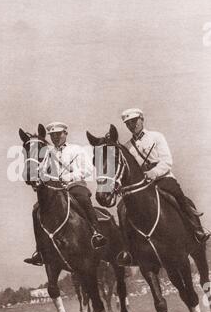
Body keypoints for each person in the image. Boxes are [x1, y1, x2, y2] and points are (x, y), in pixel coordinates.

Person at [117, 108, 210, 266]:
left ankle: (196, 229)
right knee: (122, 208)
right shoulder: (127, 147)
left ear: (142, 119)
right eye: (128, 124)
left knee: (177, 195)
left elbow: (167, 161)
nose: (132, 125)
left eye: (134, 121)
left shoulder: (156, 136)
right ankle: (128, 249)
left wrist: (152, 174)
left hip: (162, 178)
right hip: (141, 186)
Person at [24, 122, 107, 266]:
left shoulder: (77, 149)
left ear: (65, 134)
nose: (56, 138)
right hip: (56, 190)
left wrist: (69, 177)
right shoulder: (47, 154)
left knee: (83, 199)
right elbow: (42, 172)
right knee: (36, 209)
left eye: (58, 134)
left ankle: (96, 233)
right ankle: (40, 250)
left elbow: (87, 169)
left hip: (75, 185)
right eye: (52, 135)